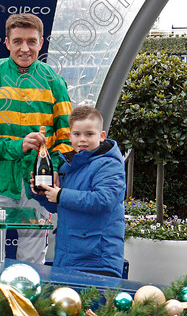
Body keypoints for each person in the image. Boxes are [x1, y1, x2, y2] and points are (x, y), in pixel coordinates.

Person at [0, 12, 73, 262]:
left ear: (41, 42)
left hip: (39, 183)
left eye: (31, 41)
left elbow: (67, 137)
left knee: (34, 258)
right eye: (18, 41)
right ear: (7, 43)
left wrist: (53, 167)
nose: (25, 48)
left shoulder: (55, 81)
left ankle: (28, 301)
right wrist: (18, 146)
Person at [30, 105, 125, 277]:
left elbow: (104, 200)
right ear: (69, 136)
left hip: (98, 261)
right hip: (68, 257)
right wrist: (43, 194)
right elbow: (61, 206)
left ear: (101, 136)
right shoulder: (69, 164)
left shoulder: (109, 164)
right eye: (77, 134)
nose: (82, 139)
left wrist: (60, 194)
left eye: (89, 134)